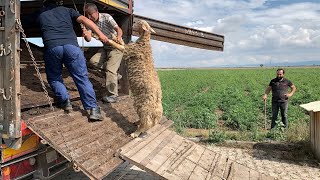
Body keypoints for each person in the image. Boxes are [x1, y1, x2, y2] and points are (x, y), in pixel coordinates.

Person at [38, 0, 109, 120]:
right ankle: (93, 110)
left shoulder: (40, 13)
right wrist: (100, 34)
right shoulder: (67, 10)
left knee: (54, 77)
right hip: (72, 47)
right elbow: (85, 20)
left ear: (44, 4)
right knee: (82, 78)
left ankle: (66, 102)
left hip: (52, 47)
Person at [83, 3, 124, 103]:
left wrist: (118, 37)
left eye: (91, 15)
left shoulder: (106, 17)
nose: (90, 17)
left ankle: (113, 95)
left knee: (110, 70)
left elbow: (118, 29)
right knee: (93, 61)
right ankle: (115, 75)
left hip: (116, 47)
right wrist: (85, 34)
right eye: (88, 16)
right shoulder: (89, 22)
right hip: (105, 48)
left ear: (97, 12)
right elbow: (88, 39)